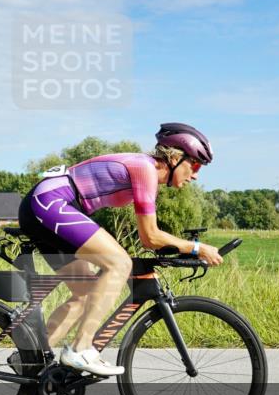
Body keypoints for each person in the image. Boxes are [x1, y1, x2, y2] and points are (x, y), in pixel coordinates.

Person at [18, 123, 223, 376]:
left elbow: (149, 235)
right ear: (174, 158)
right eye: (196, 166)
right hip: (51, 201)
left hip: (50, 204)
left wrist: (181, 247)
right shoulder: (145, 170)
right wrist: (196, 248)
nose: (196, 175)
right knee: (119, 263)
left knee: (86, 292)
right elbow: (150, 237)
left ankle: (32, 359)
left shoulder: (145, 171)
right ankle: (81, 349)